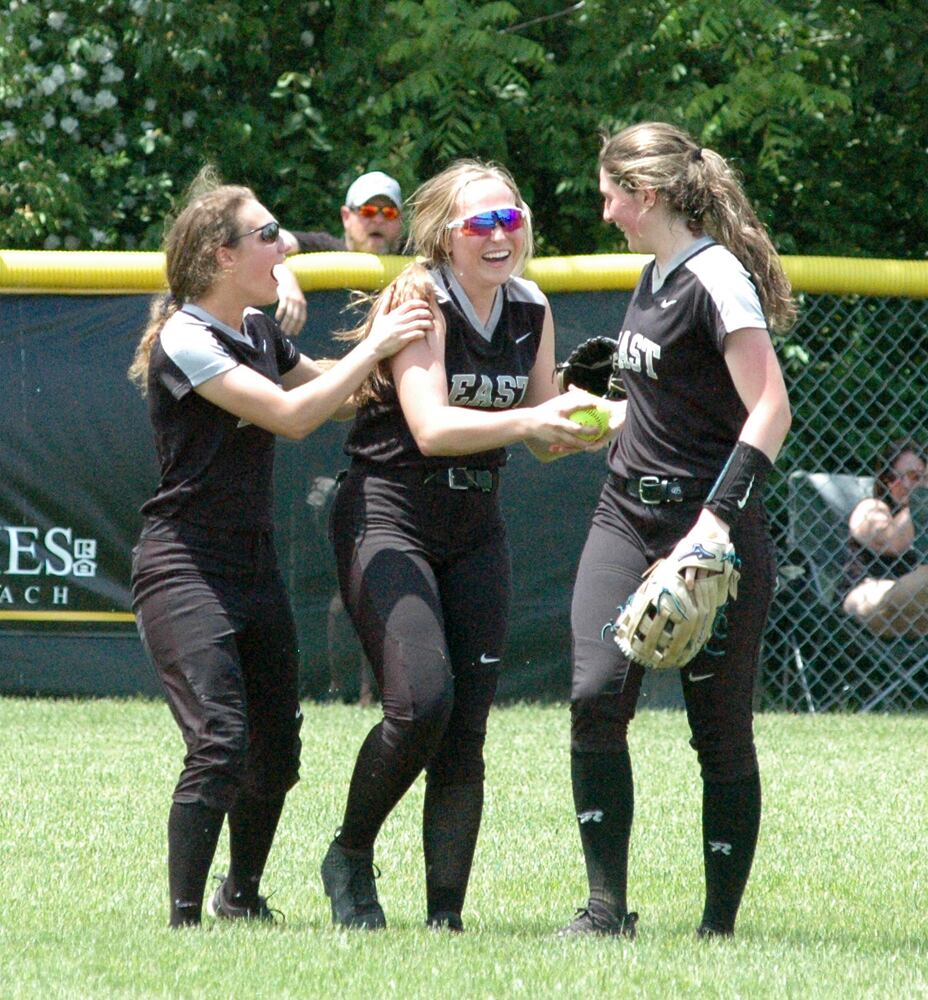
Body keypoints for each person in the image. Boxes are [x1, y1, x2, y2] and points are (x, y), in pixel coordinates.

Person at [127, 168, 431, 929]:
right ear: (220, 256)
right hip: (184, 562)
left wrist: (404, 353)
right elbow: (293, 416)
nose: (280, 244)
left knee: (278, 755)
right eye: (267, 235)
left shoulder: (257, 329)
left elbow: (335, 394)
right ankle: (185, 921)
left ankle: (241, 898)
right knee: (221, 742)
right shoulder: (186, 336)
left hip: (250, 563)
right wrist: (380, 345)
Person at [319, 159, 607, 932]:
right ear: (445, 234)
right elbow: (434, 428)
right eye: (480, 223)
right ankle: (349, 855)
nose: (498, 236)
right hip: (391, 514)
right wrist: (528, 424)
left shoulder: (530, 305)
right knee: (422, 705)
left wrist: (592, 421)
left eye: (510, 220)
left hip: (475, 527)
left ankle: (444, 918)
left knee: (467, 729)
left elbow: (545, 427)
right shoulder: (419, 295)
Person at [561, 122, 794, 940]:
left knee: (718, 728)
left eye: (610, 195)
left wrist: (713, 526)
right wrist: (598, 416)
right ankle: (603, 911)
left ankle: (717, 929)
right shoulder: (654, 273)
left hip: (707, 528)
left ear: (646, 194)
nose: (604, 212)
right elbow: (670, 405)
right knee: (594, 696)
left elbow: (771, 408)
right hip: (625, 510)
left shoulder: (714, 277)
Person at [274, 171, 405, 335]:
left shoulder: (415, 257)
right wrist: (283, 272)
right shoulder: (324, 249)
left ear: (400, 220)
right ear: (346, 216)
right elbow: (269, 242)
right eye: (368, 211)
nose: (378, 220)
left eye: (389, 213)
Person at [842, 439, 928, 637]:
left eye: (915, 477)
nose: (906, 484)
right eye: (894, 477)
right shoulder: (871, 507)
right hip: (870, 590)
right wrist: (919, 503)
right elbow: (891, 541)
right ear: (884, 482)